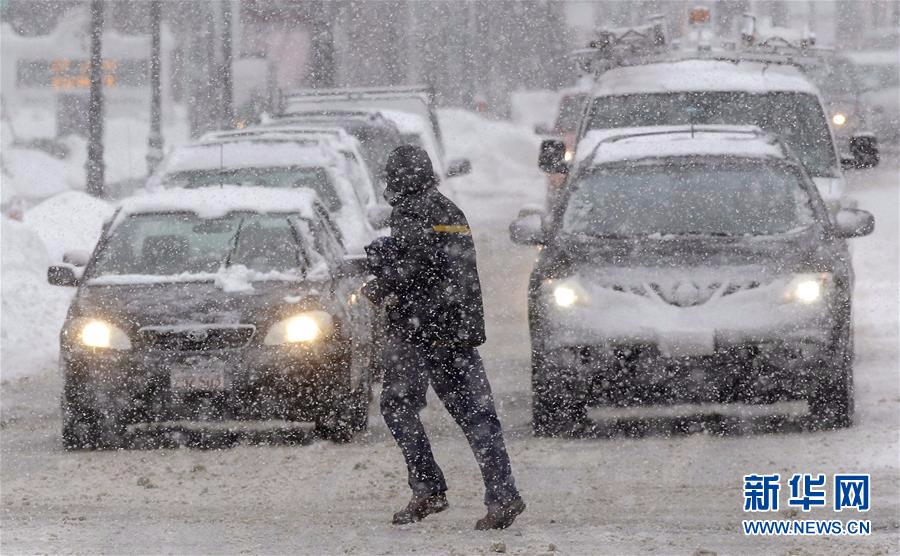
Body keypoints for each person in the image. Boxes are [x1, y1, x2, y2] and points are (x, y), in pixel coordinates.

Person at [362, 145, 525, 530]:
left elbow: (416, 268)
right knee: (477, 416)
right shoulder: (447, 209)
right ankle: (502, 495)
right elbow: (445, 266)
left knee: (399, 406)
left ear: (397, 179)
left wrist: (381, 277)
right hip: (455, 331)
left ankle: (429, 489)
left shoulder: (412, 212)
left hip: (422, 331)